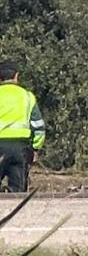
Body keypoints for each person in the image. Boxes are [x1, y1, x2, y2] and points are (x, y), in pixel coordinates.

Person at [0, 62, 45, 192]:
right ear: (16, 76)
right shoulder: (27, 96)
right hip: (20, 148)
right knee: (18, 192)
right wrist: (36, 148)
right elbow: (39, 126)